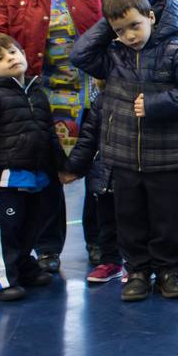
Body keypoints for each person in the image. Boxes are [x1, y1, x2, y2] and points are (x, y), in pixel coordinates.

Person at [0, 0, 115, 271]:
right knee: (45, 167)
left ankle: (100, 243)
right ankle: (47, 247)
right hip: (40, 87)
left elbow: (114, 13)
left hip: (93, 84)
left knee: (98, 166)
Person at [69, 0, 178, 302]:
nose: (130, 35)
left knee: (165, 218)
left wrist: (156, 104)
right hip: (123, 156)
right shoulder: (114, 55)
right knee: (128, 218)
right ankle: (138, 272)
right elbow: (79, 54)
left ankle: (168, 271)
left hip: (167, 157)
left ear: (151, 16)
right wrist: (110, 20)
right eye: (121, 30)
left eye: (135, 25)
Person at [0, 34, 61, 301]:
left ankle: (22, 266)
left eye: (14, 52)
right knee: (3, 230)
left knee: (30, 227)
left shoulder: (36, 92)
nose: (11, 58)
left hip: (36, 176)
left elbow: (49, 134)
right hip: (5, 180)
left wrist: (61, 167)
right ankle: (0, 280)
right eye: (0, 58)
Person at [65, 94, 122, 284]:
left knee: (137, 222)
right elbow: (88, 138)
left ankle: (140, 266)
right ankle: (110, 261)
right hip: (104, 172)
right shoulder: (101, 101)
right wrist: (74, 167)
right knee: (106, 221)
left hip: (134, 171)